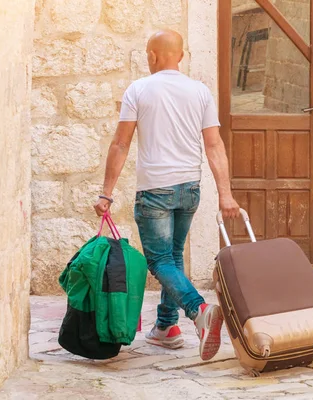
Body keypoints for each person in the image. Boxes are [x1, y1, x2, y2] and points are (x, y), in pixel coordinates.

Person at [93, 29, 240, 361]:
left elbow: (121, 143)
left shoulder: (139, 89)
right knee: (172, 259)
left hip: (155, 190)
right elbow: (214, 145)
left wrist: (106, 192)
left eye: (148, 54)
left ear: (153, 56)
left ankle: (199, 311)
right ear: (182, 56)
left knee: (159, 262)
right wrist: (225, 195)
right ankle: (166, 328)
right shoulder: (199, 91)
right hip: (190, 188)